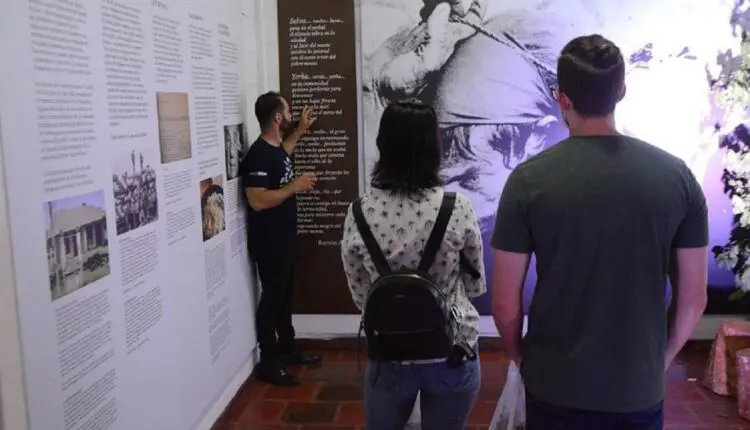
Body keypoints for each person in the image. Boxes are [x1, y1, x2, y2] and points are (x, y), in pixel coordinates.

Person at [490, 34, 709, 429]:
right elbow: (693, 300)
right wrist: (659, 361)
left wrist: (520, 358)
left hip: (553, 384)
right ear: (621, 91)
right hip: (637, 388)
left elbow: (505, 305)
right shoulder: (677, 178)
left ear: (562, 99)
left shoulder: (527, 181)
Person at [340, 99, 486, 430]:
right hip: (451, 349)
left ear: (383, 145)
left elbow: (361, 295)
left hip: (389, 352)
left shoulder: (360, 212)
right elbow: (475, 286)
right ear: (435, 147)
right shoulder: (458, 207)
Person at [240, 91, 322, 386]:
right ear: (277, 118)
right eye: (287, 112)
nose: (290, 115)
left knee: (285, 295)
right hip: (269, 241)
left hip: (284, 237)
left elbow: (282, 155)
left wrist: (300, 130)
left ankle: (288, 349)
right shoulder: (257, 155)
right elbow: (257, 200)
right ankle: (269, 362)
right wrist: (294, 186)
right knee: (272, 298)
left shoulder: (273, 149)